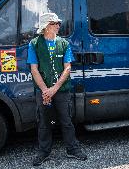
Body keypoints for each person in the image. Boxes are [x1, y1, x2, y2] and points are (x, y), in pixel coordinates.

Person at [27, 13, 87, 166]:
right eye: (55, 23)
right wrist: (45, 90)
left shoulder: (64, 43)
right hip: (43, 91)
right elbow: (34, 69)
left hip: (61, 90)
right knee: (44, 122)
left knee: (66, 120)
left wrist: (53, 89)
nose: (59, 26)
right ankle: (44, 151)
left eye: (58, 23)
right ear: (46, 26)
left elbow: (67, 69)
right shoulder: (34, 44)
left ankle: (72, 149)